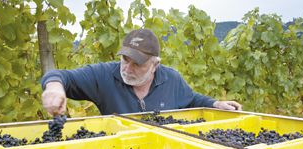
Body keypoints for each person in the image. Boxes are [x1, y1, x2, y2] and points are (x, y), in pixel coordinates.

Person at [41, 29, 242, 116]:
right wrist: (54, 88)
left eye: (137, 63)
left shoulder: (171, 79)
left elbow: (190, 99)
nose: (127, 69)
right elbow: (62, 77)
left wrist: (215, 104)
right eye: (125, 59)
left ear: (155, 64)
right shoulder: (103, 76)